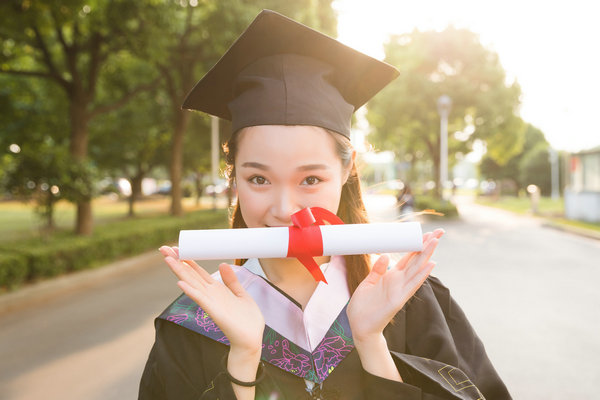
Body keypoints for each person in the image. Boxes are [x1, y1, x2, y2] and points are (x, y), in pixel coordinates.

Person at [139, 10, 511, 400]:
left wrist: (370, 342)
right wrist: (244, 360)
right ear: (233, 176)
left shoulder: (407, 300)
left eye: (310, 180)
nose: (284, 209)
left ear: (347, 169)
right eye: (258, 179)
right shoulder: (194, 322)